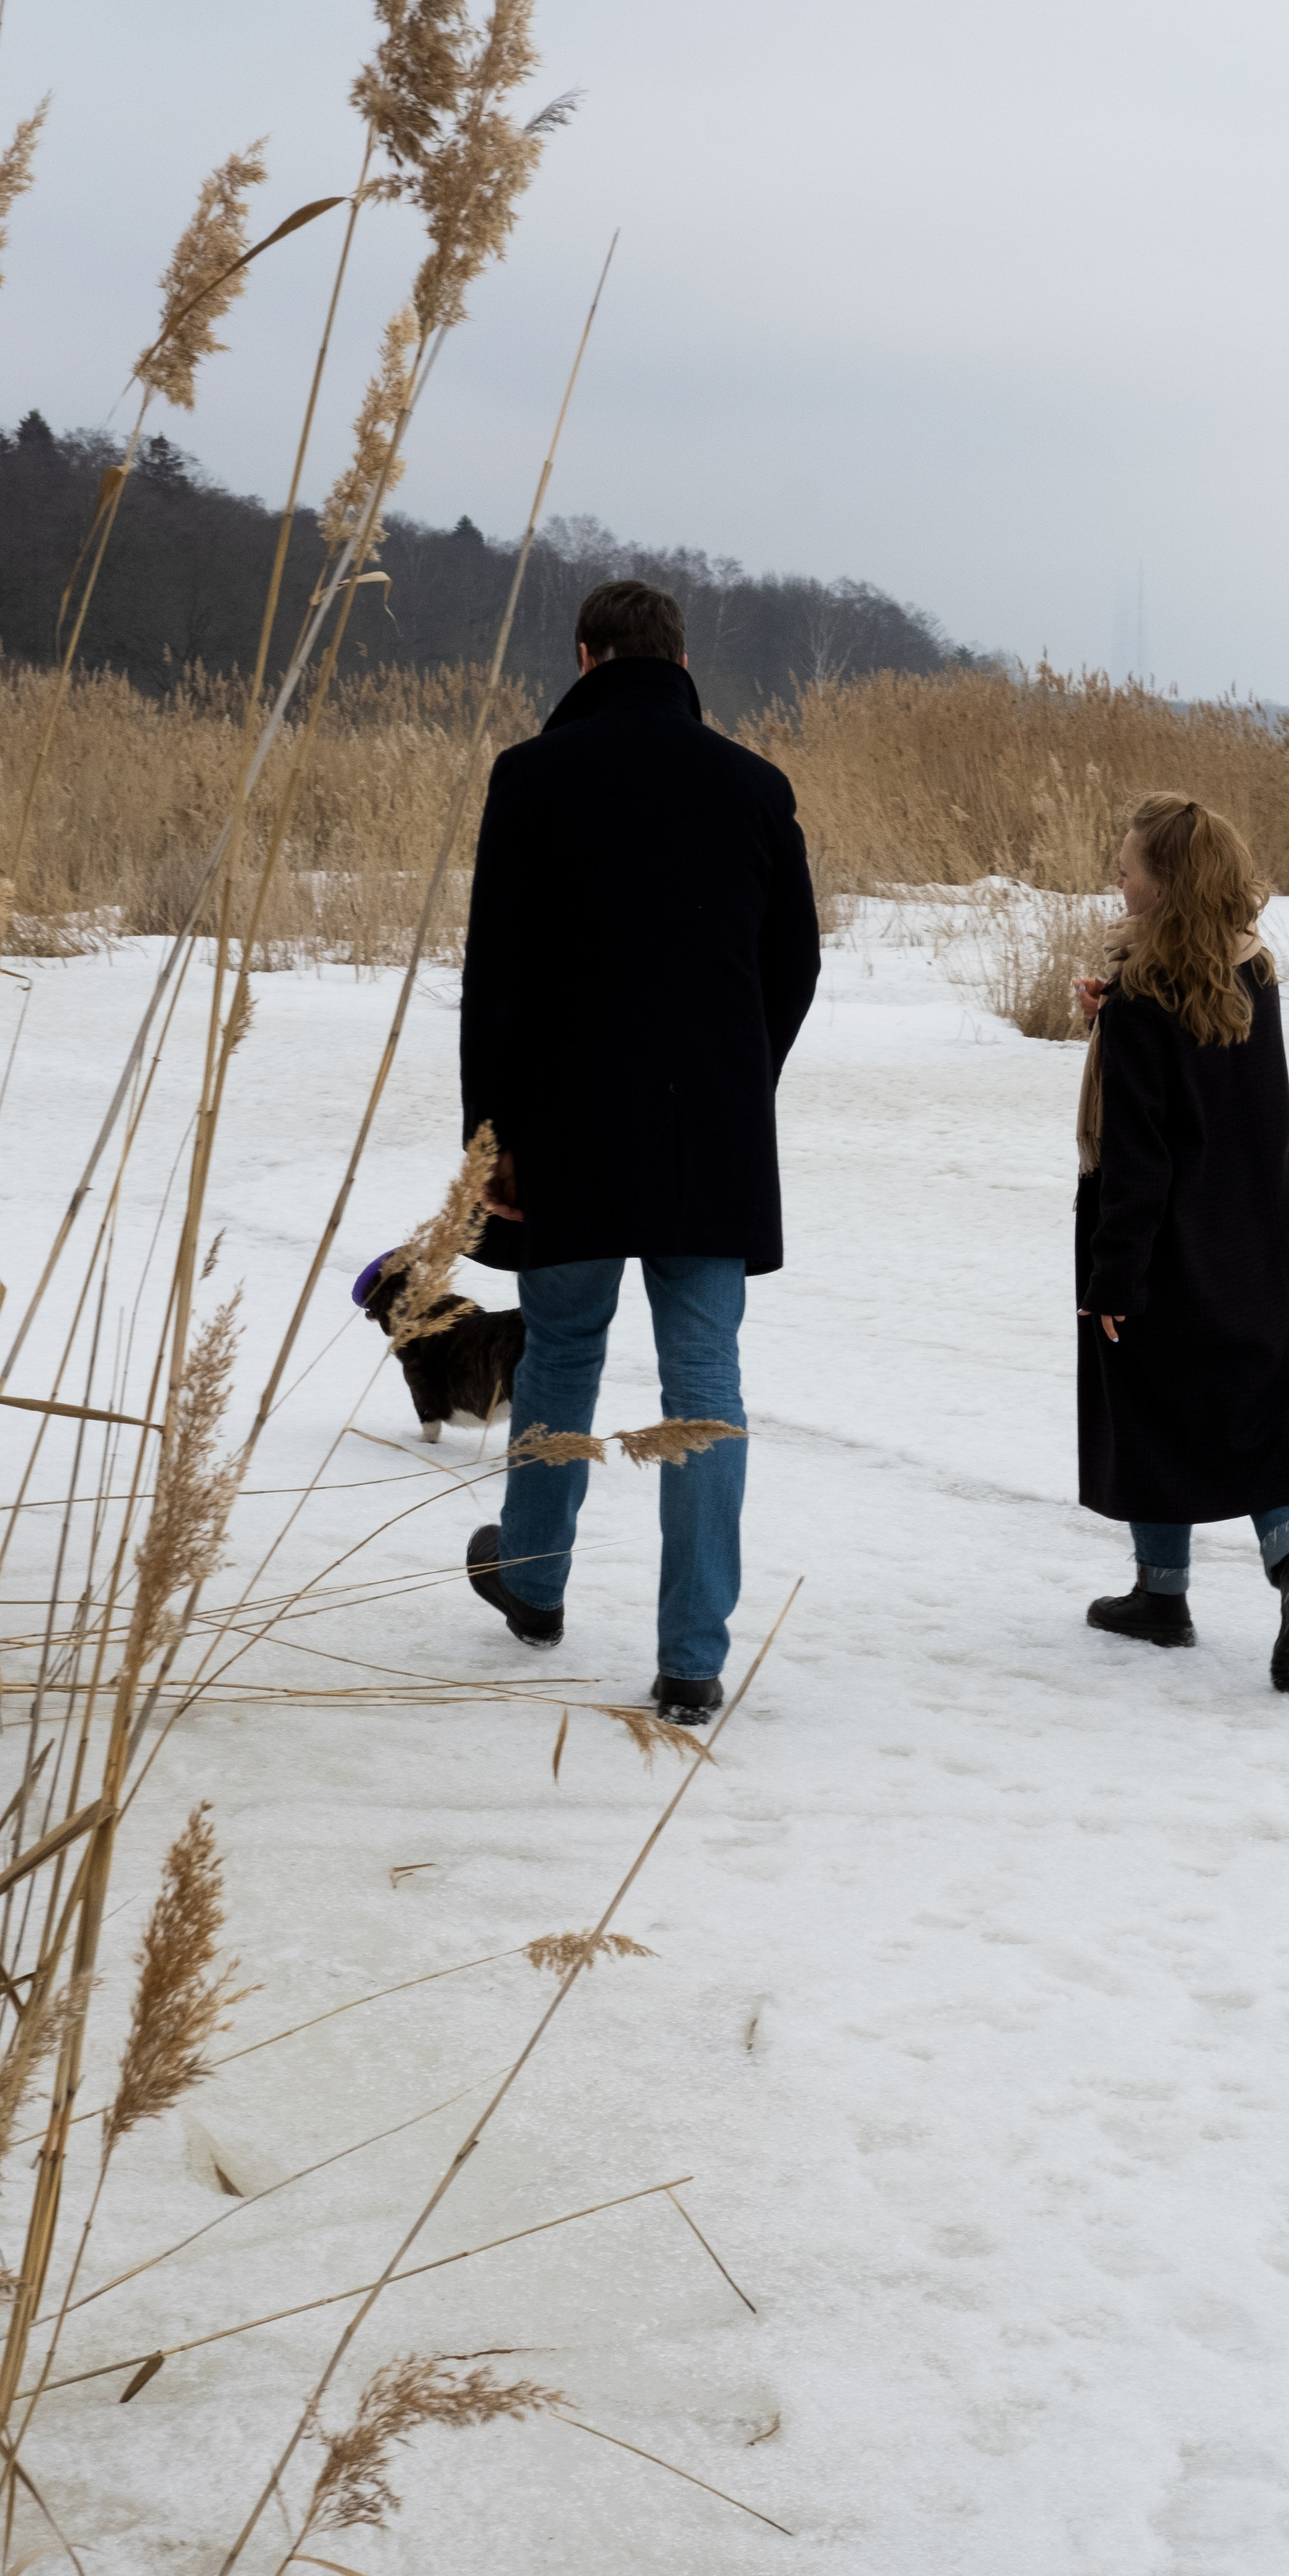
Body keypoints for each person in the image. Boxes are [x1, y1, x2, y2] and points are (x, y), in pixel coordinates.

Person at [457, 578, 820, 1724]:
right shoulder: (757, 789)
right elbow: (796, 966)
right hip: (708, 1135)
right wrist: (735, 1077)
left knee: (562, 1354)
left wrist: (491, 1140)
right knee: (704, 1386)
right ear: (678, 659)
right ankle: (692, 1659)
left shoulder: (531, 777)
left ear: (584, 656)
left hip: (566, 1131)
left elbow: (494, 983)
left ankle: (533, 1584)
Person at [1072, 793, 1289, 1691]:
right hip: (1257, 1235)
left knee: (1147, 1402)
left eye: (1130, 865)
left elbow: (1139, 1156)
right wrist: (1106, 1016)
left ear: (1167, 886)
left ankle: (1162, 1593)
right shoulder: (1250, 976)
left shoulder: (1140, 1001)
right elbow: (1224, 1098)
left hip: (1160, 1245)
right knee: (1255, 1404)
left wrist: (1114, 1276)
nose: (1117, 874)